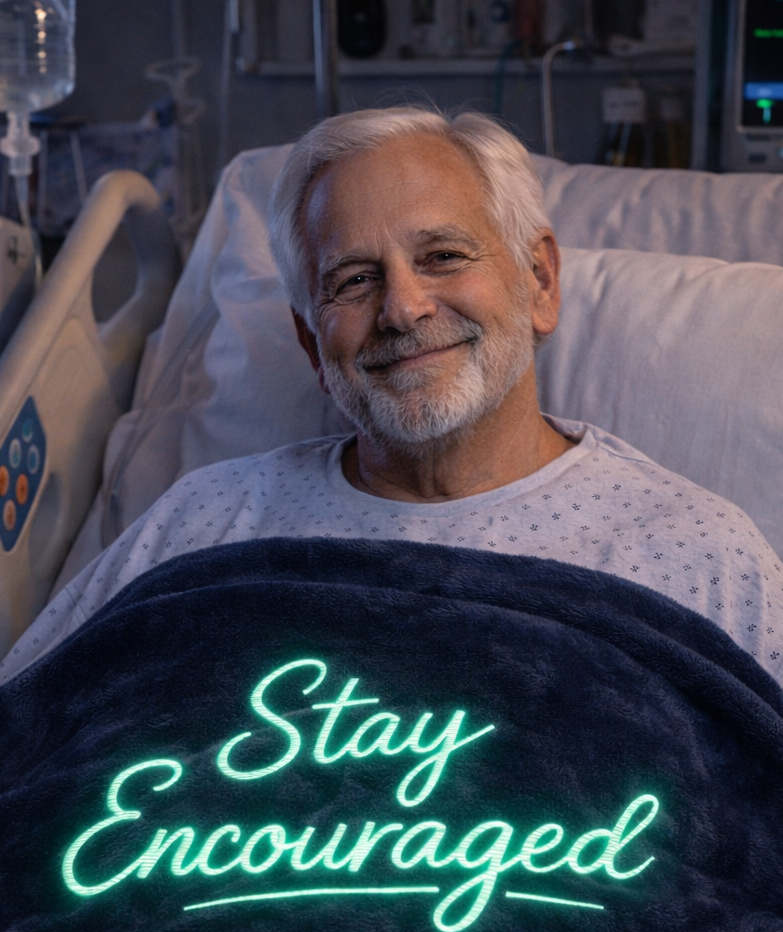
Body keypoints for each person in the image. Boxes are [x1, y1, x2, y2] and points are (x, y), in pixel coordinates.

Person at [4, 106, 783, 684]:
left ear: (539, 281)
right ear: (311, 341)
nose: (403, 307)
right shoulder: (203, 524)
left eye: (442, 256)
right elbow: (30, 737)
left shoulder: (694, 555)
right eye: (352, 279)